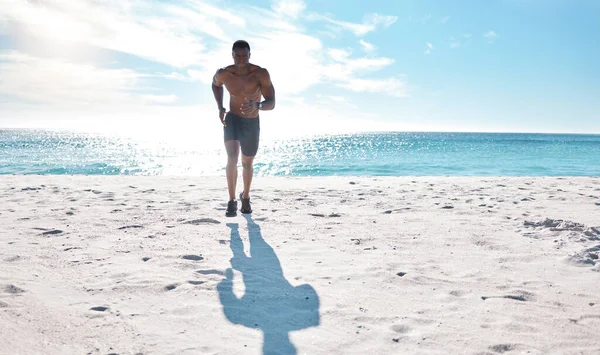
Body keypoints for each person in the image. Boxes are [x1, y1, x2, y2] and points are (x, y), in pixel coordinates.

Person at [212, 40, 276, 217]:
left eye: (244, 55)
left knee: (247, 162)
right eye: (237, 56)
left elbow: (272, 103)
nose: (241, 59)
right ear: (232, 55)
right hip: (232, 119)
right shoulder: (224, 73)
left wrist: (258, 105)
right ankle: (231, 201)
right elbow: (215, 84)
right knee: (232, 157)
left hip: (251, 122)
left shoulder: (260, 74)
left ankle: (245, 197)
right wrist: (220, 107)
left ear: (250, 55)